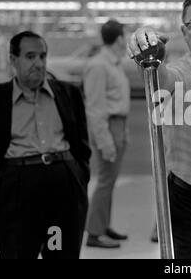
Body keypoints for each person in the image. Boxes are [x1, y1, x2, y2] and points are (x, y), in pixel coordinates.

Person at [0, 31, 91, 259]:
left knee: (61, 253)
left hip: (63, 189)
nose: (38, 63)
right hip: (15, 190)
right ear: (13, 60)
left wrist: (78, 178)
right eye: (30, 56)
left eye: (42, 56)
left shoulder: (68, 94)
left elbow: (81, 145)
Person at [128, 0, 191, 259]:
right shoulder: (182, 71)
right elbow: (161, 80)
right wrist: (149, 55)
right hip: (186, 192)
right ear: (184, 31)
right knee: (187, 257)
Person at [83, 19, 130, 249]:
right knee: (104, 181)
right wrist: (105, 141)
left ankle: (103, 225)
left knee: (110, 180)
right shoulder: (99, 66)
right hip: (108, 127)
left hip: (118, 125)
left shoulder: (114, 63)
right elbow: (95, 108)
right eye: (126, 35)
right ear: (119, 38)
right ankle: (94, 232)